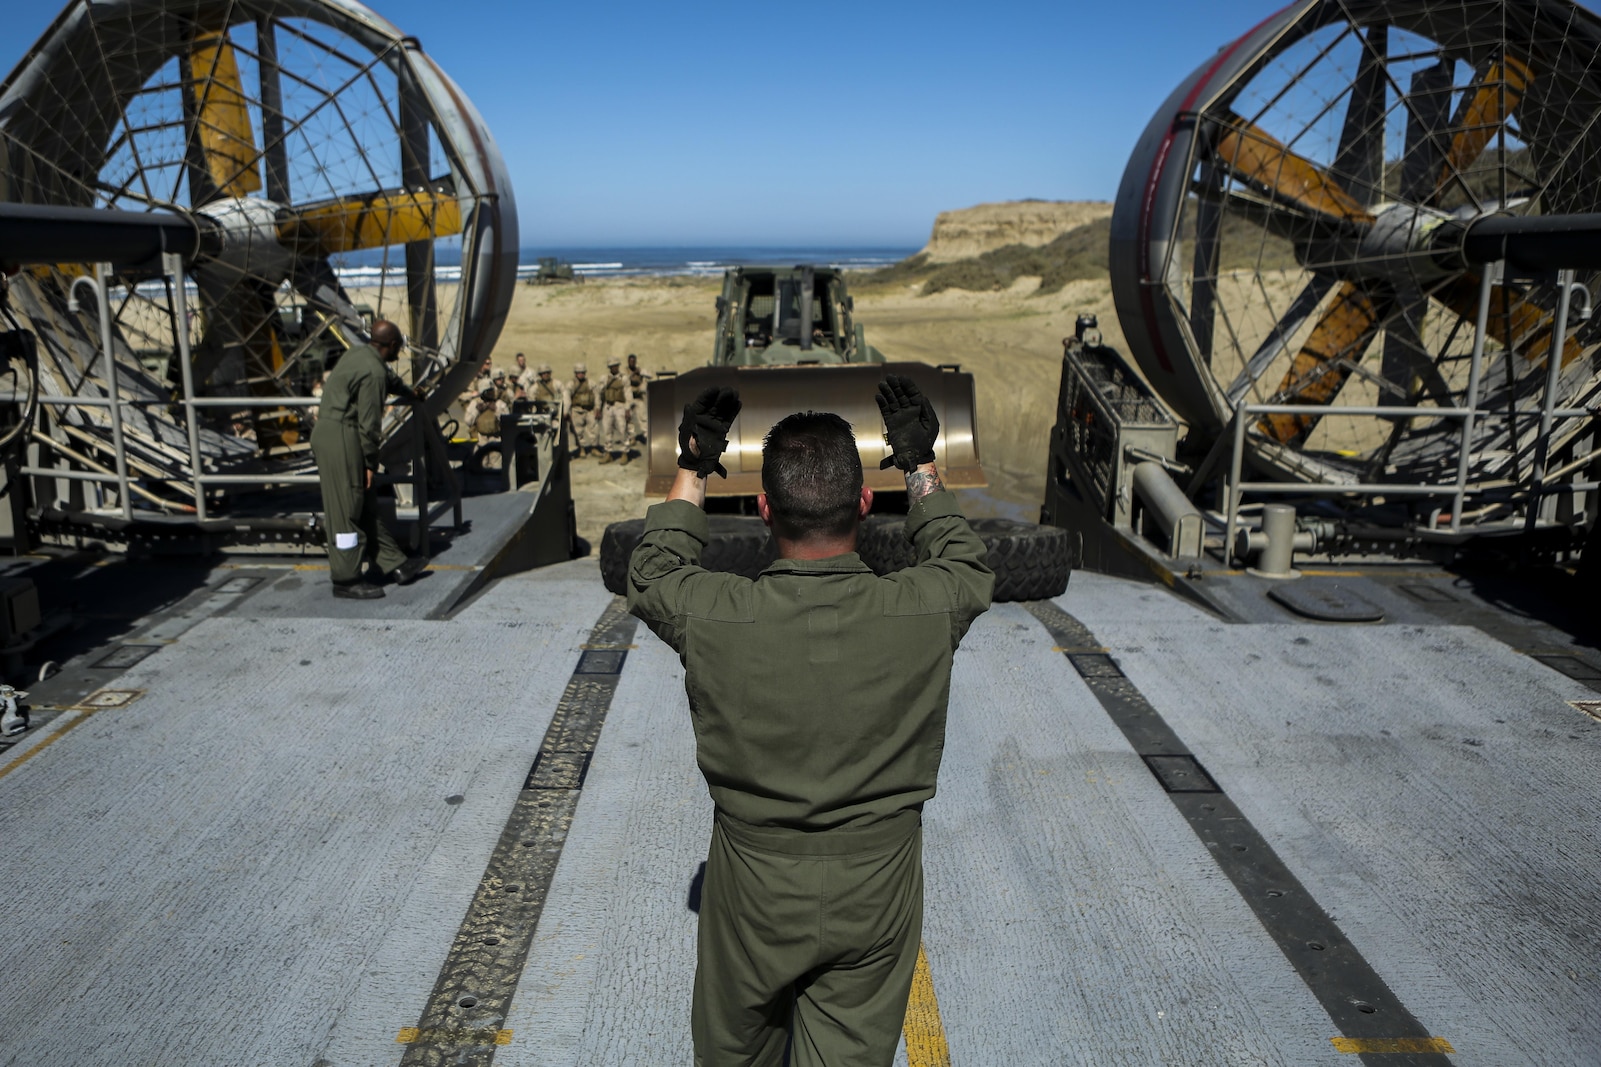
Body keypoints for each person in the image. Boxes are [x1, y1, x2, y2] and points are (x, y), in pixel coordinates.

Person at [627, 375, 993, 1066]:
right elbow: (962, 558)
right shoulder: (924, 605)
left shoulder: (715, 611)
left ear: (764, 507)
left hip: (752, 887)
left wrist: (692, 467)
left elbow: (652, 569)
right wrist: (918, 465)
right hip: (876, 885)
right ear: (863, 502)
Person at [308, 320, 428, 600]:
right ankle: (346, 578)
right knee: (347, 509)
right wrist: (369, 463)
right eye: (399, 347)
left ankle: (395, 564)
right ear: (393, 346)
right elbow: (369, 424)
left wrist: (410, 393)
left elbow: (390, 380)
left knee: (365, 504)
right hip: (341, 438)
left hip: (334, 433)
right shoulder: (374, 372)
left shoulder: (358, 354)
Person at [598, 356, 632, 464]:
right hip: (608, 407)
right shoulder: (604, 379)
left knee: (622, 430)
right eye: (612, 366)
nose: (614, 368)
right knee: (607, 430)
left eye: (615, 366)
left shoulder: (624, 378)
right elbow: (600, 395)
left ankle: (624, 453)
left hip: (620, 406)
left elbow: (628, 394)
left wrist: (627, 409)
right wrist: (598, 408)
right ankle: (608, 453)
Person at [566, 362, 599, 457]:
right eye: (579, 372)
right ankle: (582, 449)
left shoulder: (591, 383)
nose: (581, 374)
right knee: (578, 431)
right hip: (576, 410)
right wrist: (567, 412)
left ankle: (594, 448)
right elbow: (567, 398)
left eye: (582, 372)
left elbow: (597, 395)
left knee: (594, 429)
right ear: (575, 373)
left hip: (589, 410)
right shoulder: (571, 384)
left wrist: (597, 408)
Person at [626, 352, 651, 444]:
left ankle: (647, 436)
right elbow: (623, 380)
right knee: (629, 419)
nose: (631, 363)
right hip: (629, 398)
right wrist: (631, 375)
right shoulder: (625, 371)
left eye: (633, 361)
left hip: (639, 397)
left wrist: (639, 372)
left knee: (643, 418)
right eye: (630, 361)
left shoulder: (640, 370)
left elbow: (650, 375)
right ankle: (631, 437)